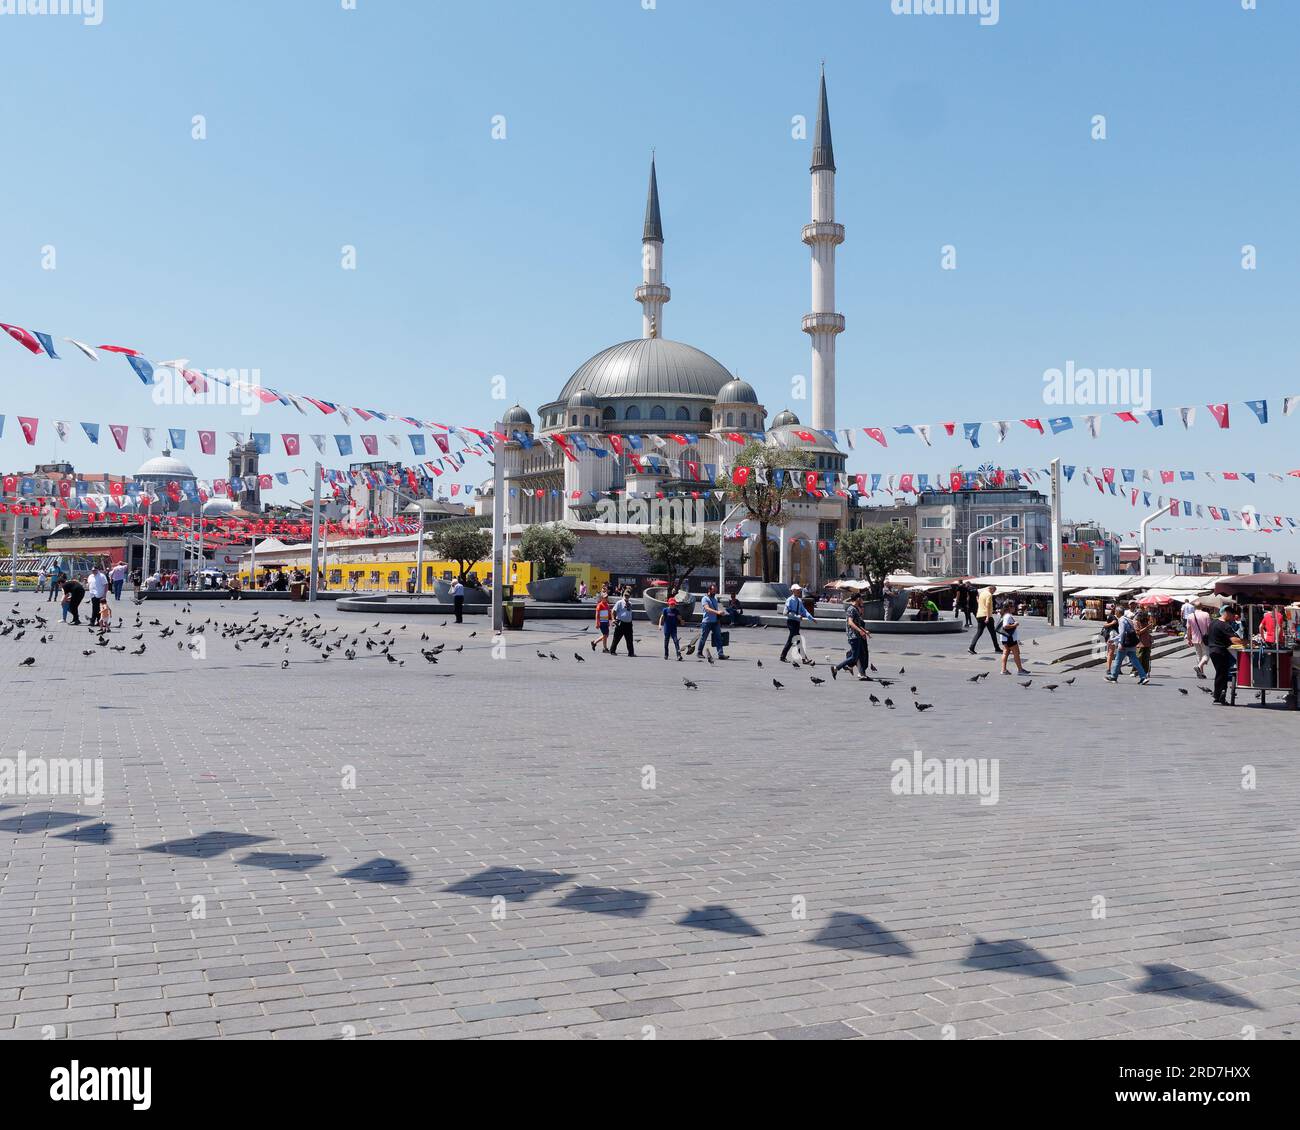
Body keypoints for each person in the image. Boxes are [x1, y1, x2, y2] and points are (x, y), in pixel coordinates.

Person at [1205, 605, 1243, 705]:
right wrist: (1247, 642)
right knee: (1222, 674)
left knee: (1219, 673)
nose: (1232, 618)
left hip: (1212, 650)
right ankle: (1220, 696)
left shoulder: (1213, 623)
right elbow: (1234, 640)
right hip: (1220, 651)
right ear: (1227, 613)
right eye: (1232, 615)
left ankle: (1217, 696)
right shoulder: (1224, 625)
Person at [831, 592, 871, 680]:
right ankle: (836, 668)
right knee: (854, 656)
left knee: (858, 655)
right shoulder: (851, 609)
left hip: (856, 636)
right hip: (853, 636)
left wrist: (865, 631)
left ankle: (860, 672)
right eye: (860, 598)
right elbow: (850, 622)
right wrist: (860, 631)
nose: (862, 600)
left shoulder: (855, 609)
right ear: (857, 599)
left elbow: (857, 624)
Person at [1105, 608, 1150, 684]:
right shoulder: (1128, 619)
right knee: (1135, 661)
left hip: (1125, 644)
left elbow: (1122, 633)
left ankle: (1113, 677)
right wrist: (1114, 639)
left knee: (1118, 660)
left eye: (1115, 612)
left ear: (1117, 612)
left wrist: (1121, 643)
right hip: (1131, 644)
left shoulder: (1122, 620)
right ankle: (1143, 677)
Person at [779, 584, 815, 663]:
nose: (799, 591)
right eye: (797, 590)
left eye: (799, 590)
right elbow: (785, 612)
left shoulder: (799, 600)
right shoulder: (789, 600)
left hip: (796, 623)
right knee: (798, 639)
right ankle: (804, 658)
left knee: (791, 640)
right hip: (791, 622)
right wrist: (797, 617)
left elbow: (804, 611)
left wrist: (811, 618)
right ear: (793, 591)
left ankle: (782, 656)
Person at [694, 583, 728, 661]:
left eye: (715, 590)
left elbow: (715, 608)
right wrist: (717, 612)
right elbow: (707, 609)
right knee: (703, 638)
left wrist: (720, 613)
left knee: (718, 638)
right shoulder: (705, 598)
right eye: (713, 590)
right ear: (709, 590)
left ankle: (721, 654)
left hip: (715, 621)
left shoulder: (714, 598)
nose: (715, 592)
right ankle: (699, 652)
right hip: (707, 622)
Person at [969, 584, 1001, 654]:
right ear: (992, 589)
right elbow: (987, 606)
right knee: (992, 633)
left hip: (979, 615)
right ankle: (997, 648)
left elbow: (979, 603)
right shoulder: (989, 595)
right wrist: (987, 617)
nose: (993, 593)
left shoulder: (982, 593)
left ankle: (971, 647)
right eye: (994, 591)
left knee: (979, 632)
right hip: (987, 616)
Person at [999, 602, 1029, 675]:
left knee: (1005, 653)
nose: (1014, 608)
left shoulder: (1004, 615)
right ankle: (1020, 670)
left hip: (1004, 637)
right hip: (1010, 637)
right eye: (1013, 607)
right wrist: (1015, 624)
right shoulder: (1008, 616)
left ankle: (1003, 670)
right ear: (1009, 607)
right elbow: (1005, 626)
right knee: (1016, 653)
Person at [1185, 602, 1212, 679]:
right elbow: (1209, 627)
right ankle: (1199, 666)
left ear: (1194, 607)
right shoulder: (1206, 614)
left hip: (1195, 638)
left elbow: (1188, 629)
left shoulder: (1190, 616)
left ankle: (1201, 673)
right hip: (1205, 638)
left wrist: (1189, 639)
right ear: (1202, 606)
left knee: (1198, 655)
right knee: (1207, 654)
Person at [609, 587, 635, 656]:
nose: (626, 596)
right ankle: (612, 650)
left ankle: (631, 653)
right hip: (621, 623)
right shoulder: (619, 603)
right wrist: (613, 619)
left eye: (628, 595)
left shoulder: (630, 603)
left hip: (628, 624)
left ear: (630, 596)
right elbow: (613, 611)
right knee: (616, 638)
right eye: (625, 595)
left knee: (629, 639)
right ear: (623, 595)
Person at [658, 596, 683, 660]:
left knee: (676, 642)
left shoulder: (676, 611)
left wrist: (681, 620)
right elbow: (662, 617)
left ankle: (679, 655)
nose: (673, 605)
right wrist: (660, 625)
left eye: (674, 604)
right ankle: (666, 654)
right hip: (667, 628)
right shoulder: (665, 610)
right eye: (671, 604)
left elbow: (679, 617)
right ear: (668, 604)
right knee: (666, 642)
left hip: (673, 628)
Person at [87, 566, 109, 630]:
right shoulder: (90, 576)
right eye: (92, 570)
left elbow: (106, 585)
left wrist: (105, 594)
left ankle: (98, 621)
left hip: (100, 595)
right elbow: (89, 584)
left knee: (100, 609)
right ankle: (94, 621)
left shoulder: (102, 576)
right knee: (94, 608)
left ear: (97, 570)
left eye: (95, 570)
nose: (93, 571)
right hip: (93, 595)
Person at [1134, 611, 1154, 678]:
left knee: (1146, 659)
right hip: (1139, 643)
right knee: (1139, 658)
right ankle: (1136, 671)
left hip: (1147, 643)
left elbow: (1149, 631)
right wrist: (1147, 628)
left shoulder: (1146, 622)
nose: (1146, 619)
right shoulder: (1136, 622)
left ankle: (1145, 673)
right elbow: (1138, 633)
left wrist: (1150, 626)